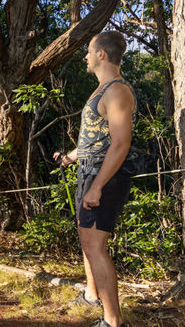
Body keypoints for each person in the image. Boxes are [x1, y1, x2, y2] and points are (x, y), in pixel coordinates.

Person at [54, 31, 135, 327]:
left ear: (102, 53)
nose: (86, 56)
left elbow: (120, 143)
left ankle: (113, 322)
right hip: (90, 171)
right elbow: (97, 138)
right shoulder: (102, 90)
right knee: (88, 244)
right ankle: (92, 296)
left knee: (96, 247)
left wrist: (98, 185)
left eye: (89, 51)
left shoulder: (117, 90)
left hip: (105, 176)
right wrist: (71, 157)